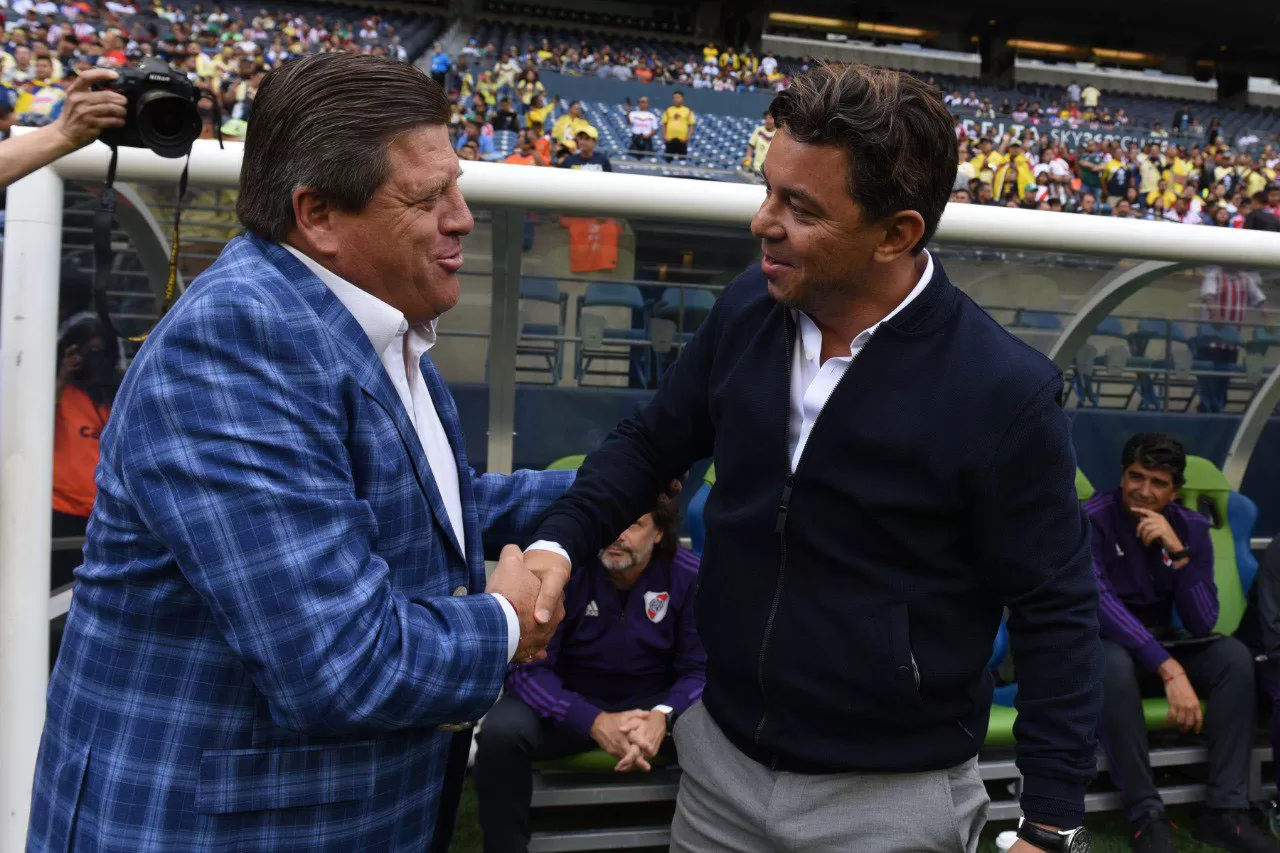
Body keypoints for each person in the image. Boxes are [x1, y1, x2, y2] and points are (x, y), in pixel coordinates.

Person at [519, 63, 1101, 853]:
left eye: (800, 207)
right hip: (720, 767)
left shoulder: (1003, 392)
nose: (763, 222)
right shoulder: (748, 308)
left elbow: (1055, 608)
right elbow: (651, 440)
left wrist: (1052, 822)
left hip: (891, 798)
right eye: (768, 190)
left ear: (896, 232)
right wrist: (560, 541)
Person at [27, 54, 575, 852]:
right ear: (317, 213)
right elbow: (340, 662)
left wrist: (608, 486)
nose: (463, 217)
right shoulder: (236, 345)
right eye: (428, 197)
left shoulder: (366, 319)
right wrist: (505, 621)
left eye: (455, 186)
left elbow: (424, 514)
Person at [474, 497, 705, 853]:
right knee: (500, 733)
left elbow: (700, 670)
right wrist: (594, 721)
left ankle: (703, 840)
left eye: (635, 524)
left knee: (718, 729)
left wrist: (664, 716)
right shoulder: (566, 572)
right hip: (569, 704)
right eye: (613, 521)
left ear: (658, 532)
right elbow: (525, 669)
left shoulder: (689, 575)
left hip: (653, 709)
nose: (618, 535)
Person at [1087, 434, 1274, 852]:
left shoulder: (1189, 526)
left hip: (1164, 644)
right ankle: (1146, 815)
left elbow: (1203, 619)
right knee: (1108, 661)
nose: (1144, 490)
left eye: (1158, 482)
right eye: (1136, 476)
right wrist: (1168, 669)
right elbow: (1100, 606)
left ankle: (1225, 811)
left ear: (1175, 490)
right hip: (1109, 647)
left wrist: (1179, 553)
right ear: (1123, 474)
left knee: (1232, 656)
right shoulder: (1093, 518)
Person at [51, 312, 118, 590]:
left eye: (98, 351)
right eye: (86, 350)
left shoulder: (112, 399)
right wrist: (62, 375)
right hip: (60, 514)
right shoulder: (59, 392)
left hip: (101, 516)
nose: (93, 357)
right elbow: (31, 422)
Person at [0, 67, 125, 190]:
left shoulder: (50, 101)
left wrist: (62, 133)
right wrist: (62, 133)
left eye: (72, 79)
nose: (69, 83)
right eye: (67, 79)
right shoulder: (56, 102)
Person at [661, 90, 694, 163]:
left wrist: (687, 137)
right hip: (670, 140)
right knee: (668, 160)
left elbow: (691, 125)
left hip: (682, 140)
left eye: (677, 97)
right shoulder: (668, 110)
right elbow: (664, 124)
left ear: (682, 99)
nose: (675, 99)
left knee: (682, 161)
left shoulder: (687, 110)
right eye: (674, 98)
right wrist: (664, 136)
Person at [742, 108, 775, 174]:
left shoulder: (777, 133)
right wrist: (748, 157)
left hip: (771, 170)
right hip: (757, 168)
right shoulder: (759, 130)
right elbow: (751, 145)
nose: (768, 121)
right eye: (766, 118)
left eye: (770, 118)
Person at [627, 94, 658, 159]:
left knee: (647, 158)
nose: (642, 104)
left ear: (648, 103)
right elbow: (628, 122)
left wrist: (648, 135)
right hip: (636, 138)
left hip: (646, 139)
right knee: (632, 157)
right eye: (641, 102)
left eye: (644, 102)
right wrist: (628, 111)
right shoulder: (633, 113)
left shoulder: (651, 116)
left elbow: (655, 130)